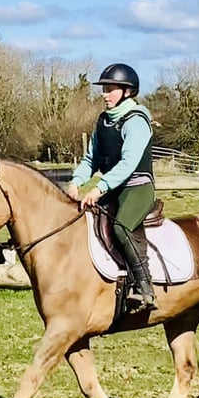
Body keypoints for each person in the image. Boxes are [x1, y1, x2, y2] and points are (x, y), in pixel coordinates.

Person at [67, 63, 158, 312]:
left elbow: (129, 163)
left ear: (127, 92)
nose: (105, 94)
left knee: (121, 228)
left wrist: (99, 188)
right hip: (113, 188)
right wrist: (76, 182)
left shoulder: (136, 120)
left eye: (110, 89)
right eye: (104, 89)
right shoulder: (104, 121)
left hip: (137, 187)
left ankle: (144, 288)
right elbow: (91, 159)